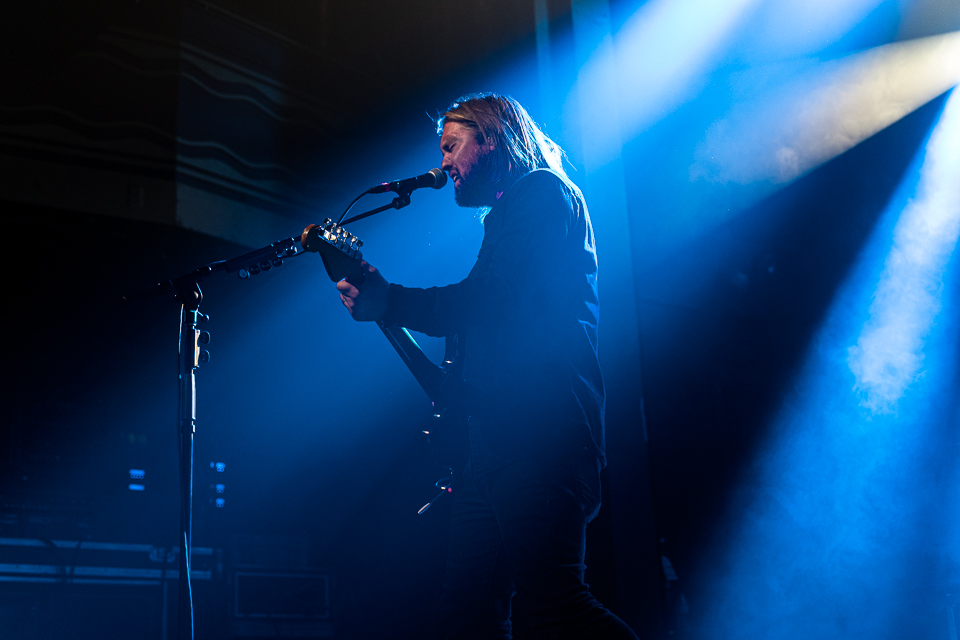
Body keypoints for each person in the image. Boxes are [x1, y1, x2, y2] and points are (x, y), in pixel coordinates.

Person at [337, 93, 639, 640]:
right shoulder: (508, 214)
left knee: (556, 605)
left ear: (492, 137)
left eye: (452, 146)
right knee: (467, 618)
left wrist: (393, 300)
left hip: (540, 437)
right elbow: (485, 327)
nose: (443, 163)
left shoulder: (543, 194)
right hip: (493, 446)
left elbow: (491, 299)